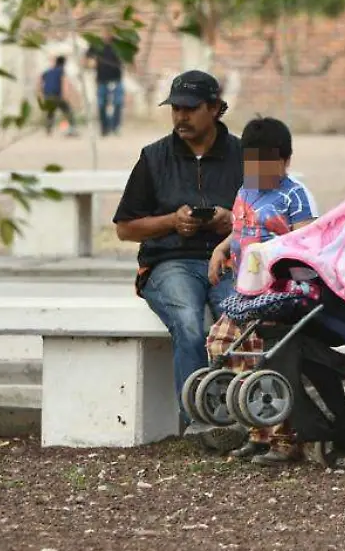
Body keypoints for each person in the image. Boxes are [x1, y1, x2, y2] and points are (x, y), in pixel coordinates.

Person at [112, 70, 244, 448]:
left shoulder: (245, 154)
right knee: (188, 322)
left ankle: (246, 420)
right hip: (169, 262)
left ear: (216, 108)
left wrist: (230, 221)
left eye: (190, 109)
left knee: (238, 318)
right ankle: (200, 424)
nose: (180, 117)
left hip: (230, 260)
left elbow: (275, 215)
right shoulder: (154, 156)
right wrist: (172, 222)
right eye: (175, 109)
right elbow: (125, 228)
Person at [205, 116, 319, 466]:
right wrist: (222, 248)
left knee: (266, 359)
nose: (257, 171)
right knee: (223, 344)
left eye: (266, 163)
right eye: (251, 162)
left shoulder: (294, 195)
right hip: (244, 290)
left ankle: (285, 439)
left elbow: (308, 239)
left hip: (277, 293)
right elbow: (242, 228)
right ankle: (255, 430)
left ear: (285, 160)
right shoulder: (244, 191)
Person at [87, 37, 125, 136]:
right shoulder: (96, 44)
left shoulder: (119, 43)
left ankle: (115, 127)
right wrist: (90, 62)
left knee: (118, 103)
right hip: (101, 80)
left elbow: (128, 57)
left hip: (116, 79)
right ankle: (104, 128)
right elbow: (88, 59)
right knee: (101, 104)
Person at [40, 56, 79, 137]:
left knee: (50, 113)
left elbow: (40, 80)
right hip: (57, 95)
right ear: (63, 63)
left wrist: (41, 92)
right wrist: (65, 94)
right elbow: (64, 82)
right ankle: (72, 129)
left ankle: (48, 130)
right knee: (68, 111)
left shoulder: (48, 71)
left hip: (48, 95)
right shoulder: (61, 71)